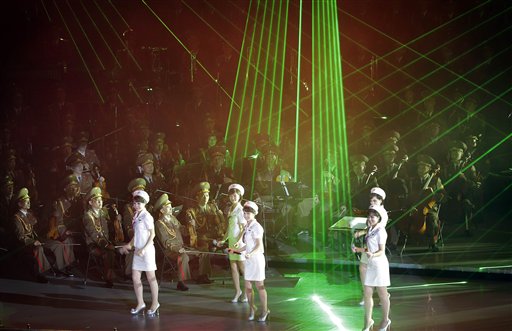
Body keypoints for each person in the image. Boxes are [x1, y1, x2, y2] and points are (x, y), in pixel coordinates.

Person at [120, 190, 159, 316]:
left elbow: (152, 234)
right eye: (135, 203)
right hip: (138, 251)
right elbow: (137, 235)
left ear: (144, 203)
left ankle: (155, 303)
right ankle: (140, 303)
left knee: (151, 278)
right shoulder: (136, 216)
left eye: (139, 203)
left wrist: (144, 249)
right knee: (135, 277)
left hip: (147, 251)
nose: (136, 205)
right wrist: (129, 245)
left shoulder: (147, 216)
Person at [352, 205, 391, 331]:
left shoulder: (381, 231)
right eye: (369, 216)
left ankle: (385, 320)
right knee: (367, 293)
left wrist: (373, 254)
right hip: (370, 265)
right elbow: (370, 248)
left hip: (379, 266)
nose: (371, 218)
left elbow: (381, 251)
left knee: (383, 294)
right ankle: (368, 321)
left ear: (379, 218)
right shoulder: (370, 229)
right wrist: (358, 249)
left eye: (373, 216)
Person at [231, 201, 269, 322]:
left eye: (248, 213)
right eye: (245, 213)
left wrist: (250, 253)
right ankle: (252, 308)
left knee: (259, 286)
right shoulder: (247, 226)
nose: (246, 215)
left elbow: (258, 245)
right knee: (247, 286)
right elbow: (247, 245)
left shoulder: (257, 227)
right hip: (248, 260)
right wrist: (235, 250)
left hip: (256, 259)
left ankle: (265, 310)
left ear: (254, 214)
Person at [185, 181, 226, 284]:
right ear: (197, 197)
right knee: (204, 248)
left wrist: (220, 214)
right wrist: (191, 222)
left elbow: (219, 224)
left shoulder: (212, 208)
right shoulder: (191, 211)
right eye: (203, 195)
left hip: (212, 235)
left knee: (226, 243)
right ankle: (202, 275)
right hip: (199, 237)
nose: (206, 197)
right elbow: (192, 230)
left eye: (207, 195)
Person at [353, 187, 388, 306]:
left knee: (377, 274)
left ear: (381, 201)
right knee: (363, 268)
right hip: (367, 247)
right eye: (371, 201)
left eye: (375, 201)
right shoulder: (372, 210)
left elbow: (375, 229)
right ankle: (366, 295)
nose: (372, 203)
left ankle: (384, 295)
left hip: (375, 248)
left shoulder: (382, 214)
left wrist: (361, 233)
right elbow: (369, 226)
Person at [216, 183, 248, 303]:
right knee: (233, 267)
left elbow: (244, 228)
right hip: (231, 242)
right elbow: (230, 228)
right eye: (231, 195)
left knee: (242, 268)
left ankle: (246, 293)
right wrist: (223, 240)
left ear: (240, 196)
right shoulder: (230, 209)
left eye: (235, 195)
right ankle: (237, 291)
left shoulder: (241, 210)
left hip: (239, 244)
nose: (233, 197)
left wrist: (239, 241)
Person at [154, 193, 192, 291]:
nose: (171, 208)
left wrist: (189, 225)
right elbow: (165, 242)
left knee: (202, 252)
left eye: (170, 206)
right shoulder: (159, 223)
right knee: (183, 257)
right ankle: (181, 282)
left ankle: (202, 276)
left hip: (182, 246)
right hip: (171, 250)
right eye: (168, 207)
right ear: (162, 210)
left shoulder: (173, 218)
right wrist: (177, 249)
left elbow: (184, 232)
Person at [82, 187, 116, 288]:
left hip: (104, 241)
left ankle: (109, 275)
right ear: (90, 203)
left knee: (112, 253)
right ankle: (108, 278)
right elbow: (93, 234)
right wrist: (105, 245)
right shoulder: (88, 216)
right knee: (106, 253)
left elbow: (107, 231)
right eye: (97, 201)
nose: (100, 202)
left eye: (101, 200)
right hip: (93, 244)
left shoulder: (102, 214)